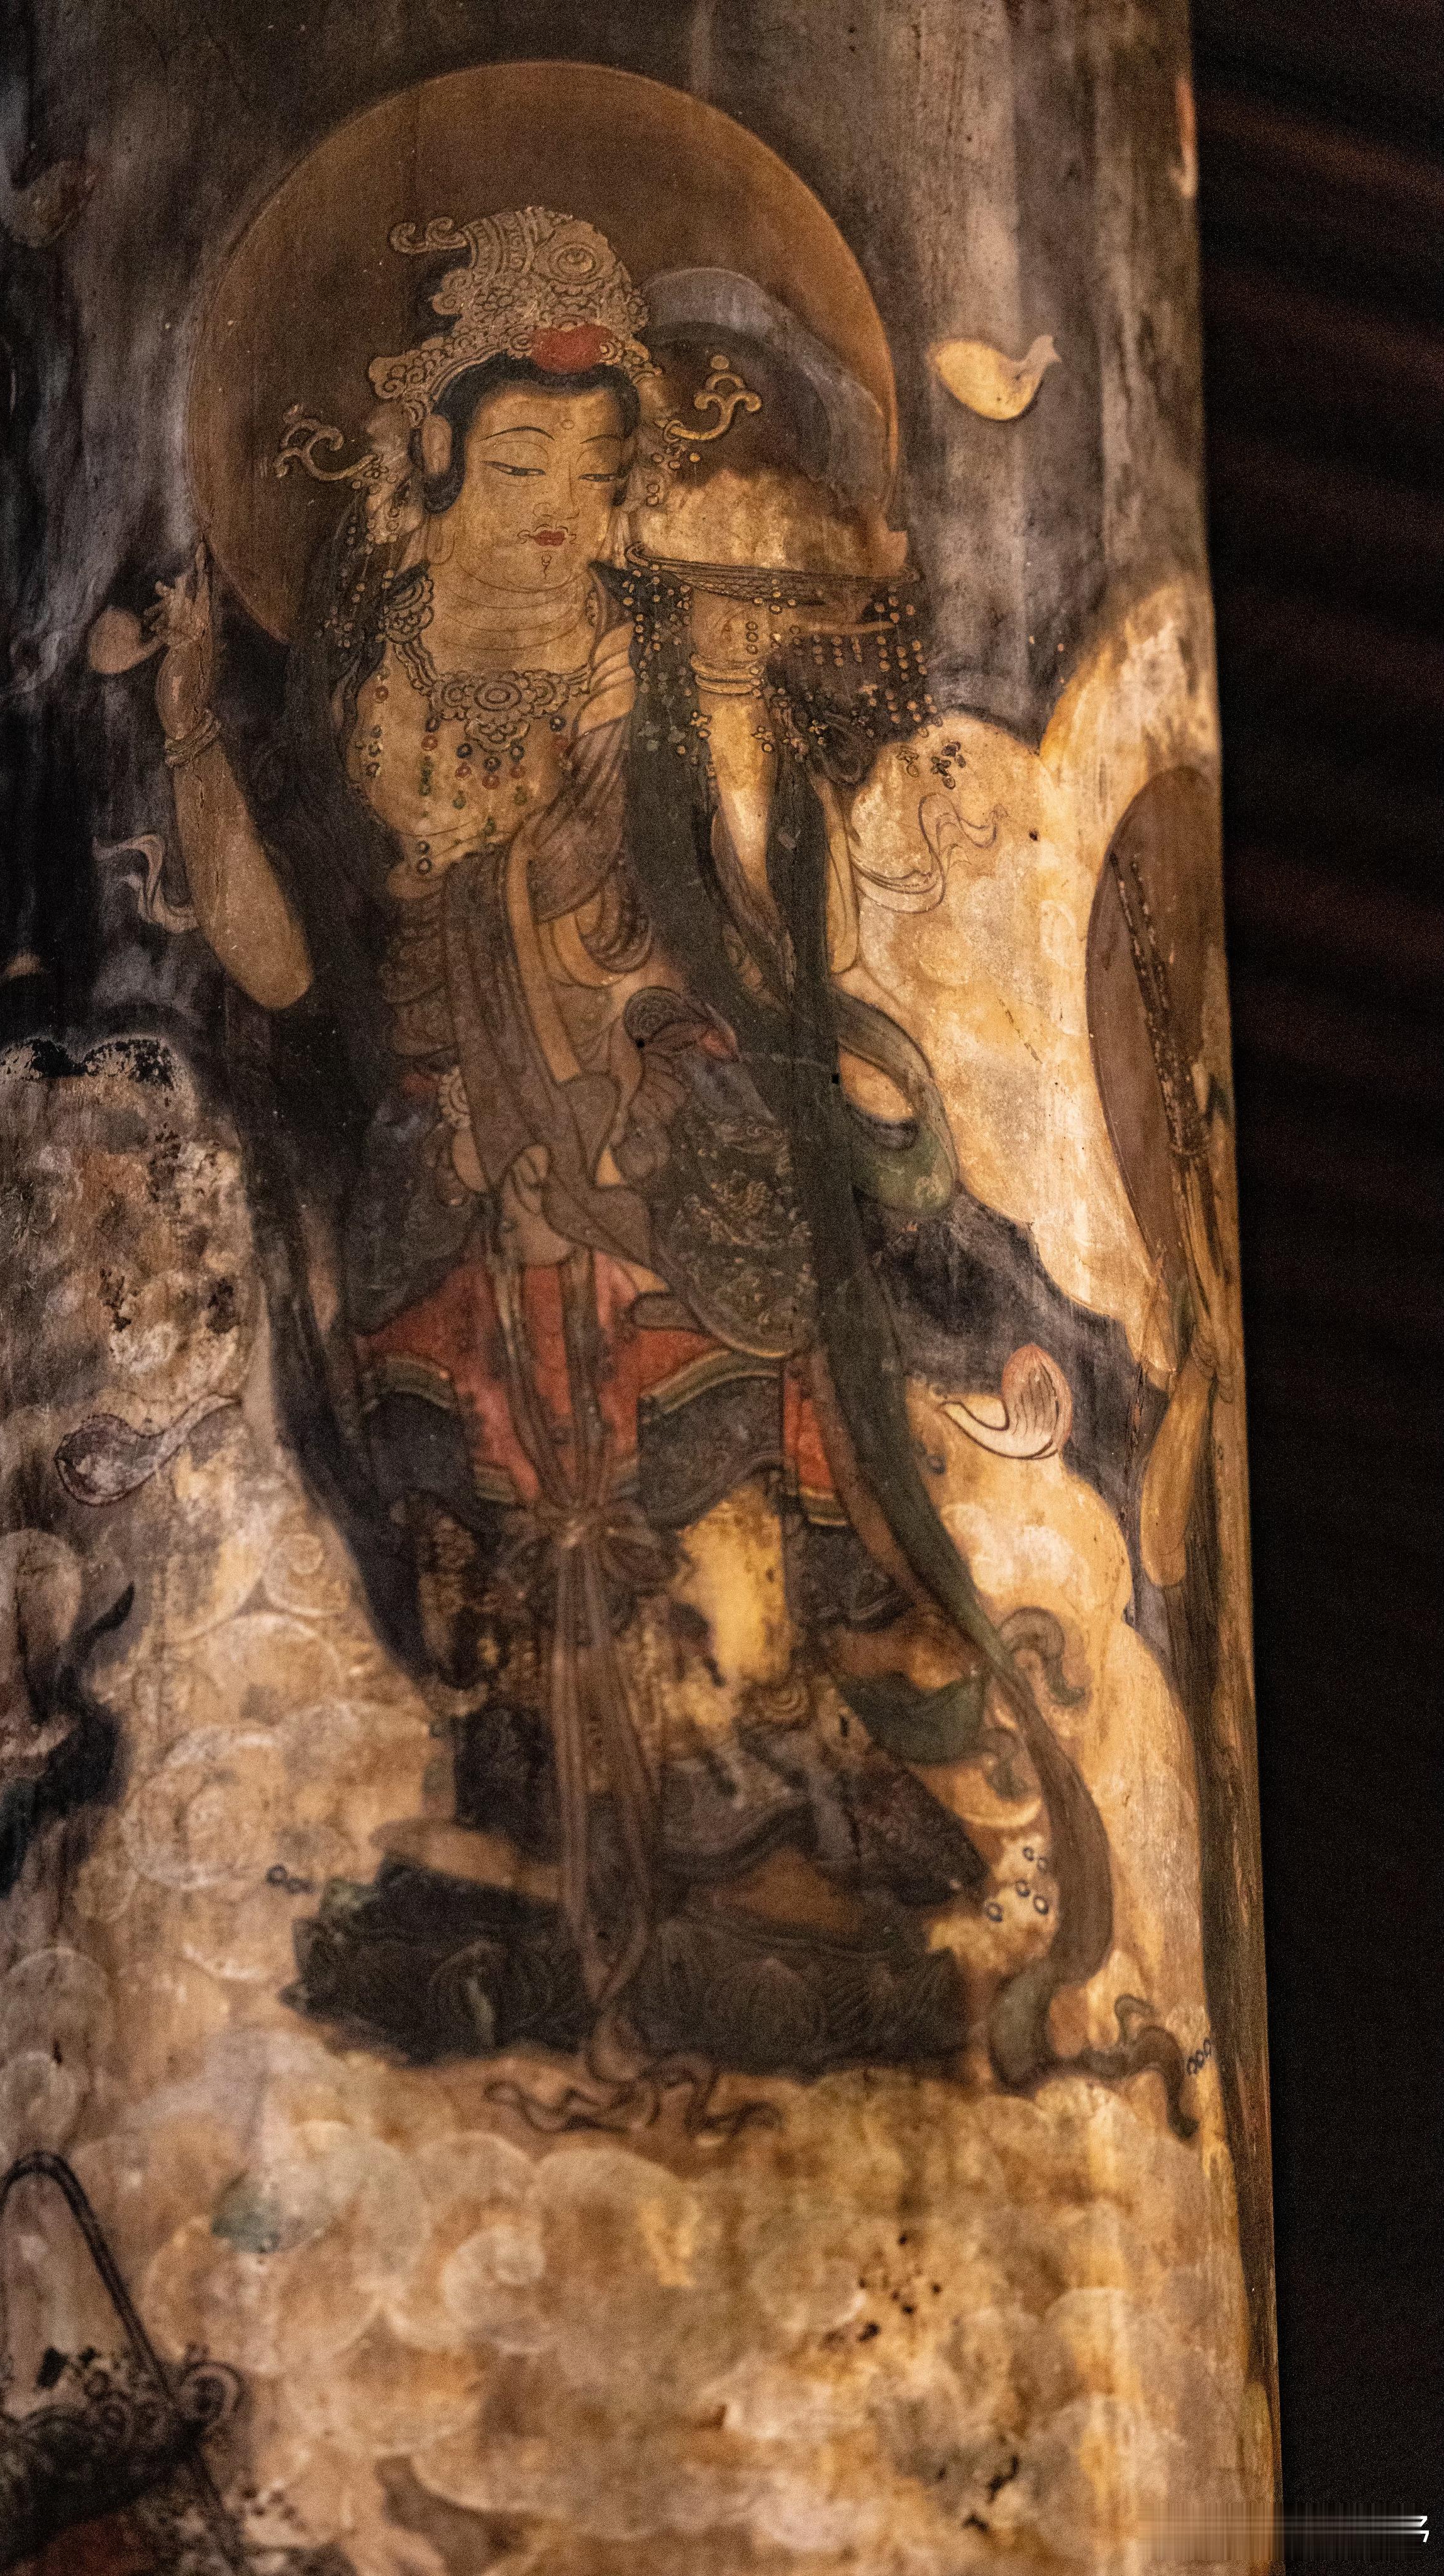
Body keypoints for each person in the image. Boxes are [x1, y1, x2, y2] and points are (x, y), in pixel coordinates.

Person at [136, 208, 1162, 2129]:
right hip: (451, 1167)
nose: (554, 507)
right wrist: (192, 735)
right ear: (434, 461)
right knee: (492, 1539)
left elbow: (750, 905)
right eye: (518, 461)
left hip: (659, 1153)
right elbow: (283, 975)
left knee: (717, 1502)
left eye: (591, 468)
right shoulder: (365, 693)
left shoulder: (660, 653)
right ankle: (540, 1856)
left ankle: (761, 1849)